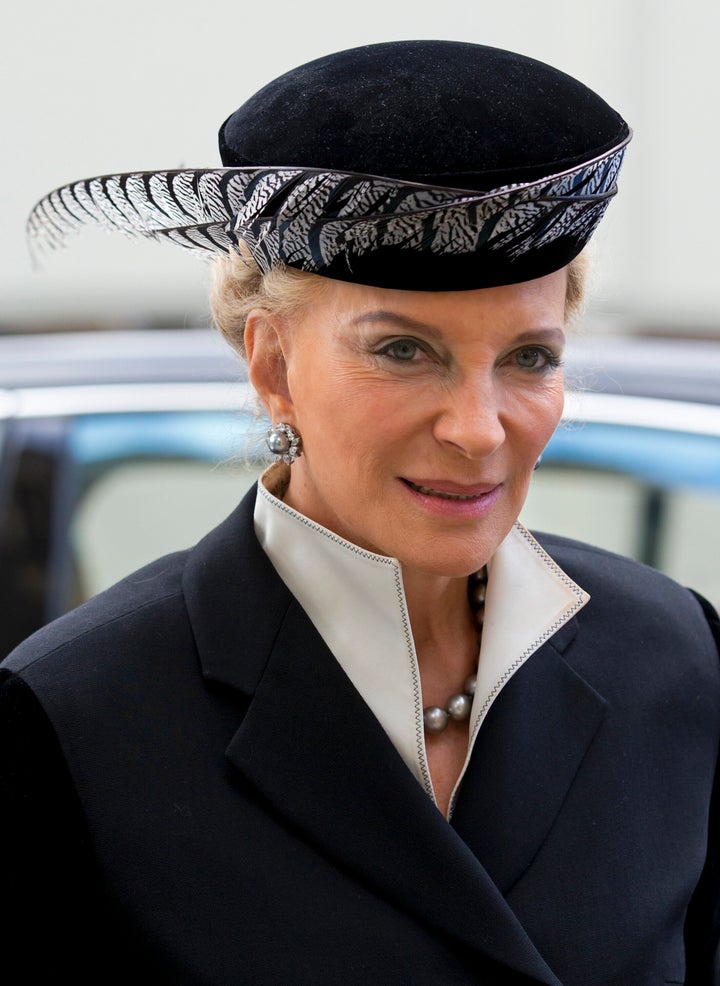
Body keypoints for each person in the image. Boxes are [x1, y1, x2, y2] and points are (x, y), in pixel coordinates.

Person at [2, 40, 719, 986]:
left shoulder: (678, 661)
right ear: (272, 367)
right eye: (402, 352)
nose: (476, 428)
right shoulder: (73, 720)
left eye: (529, 359)